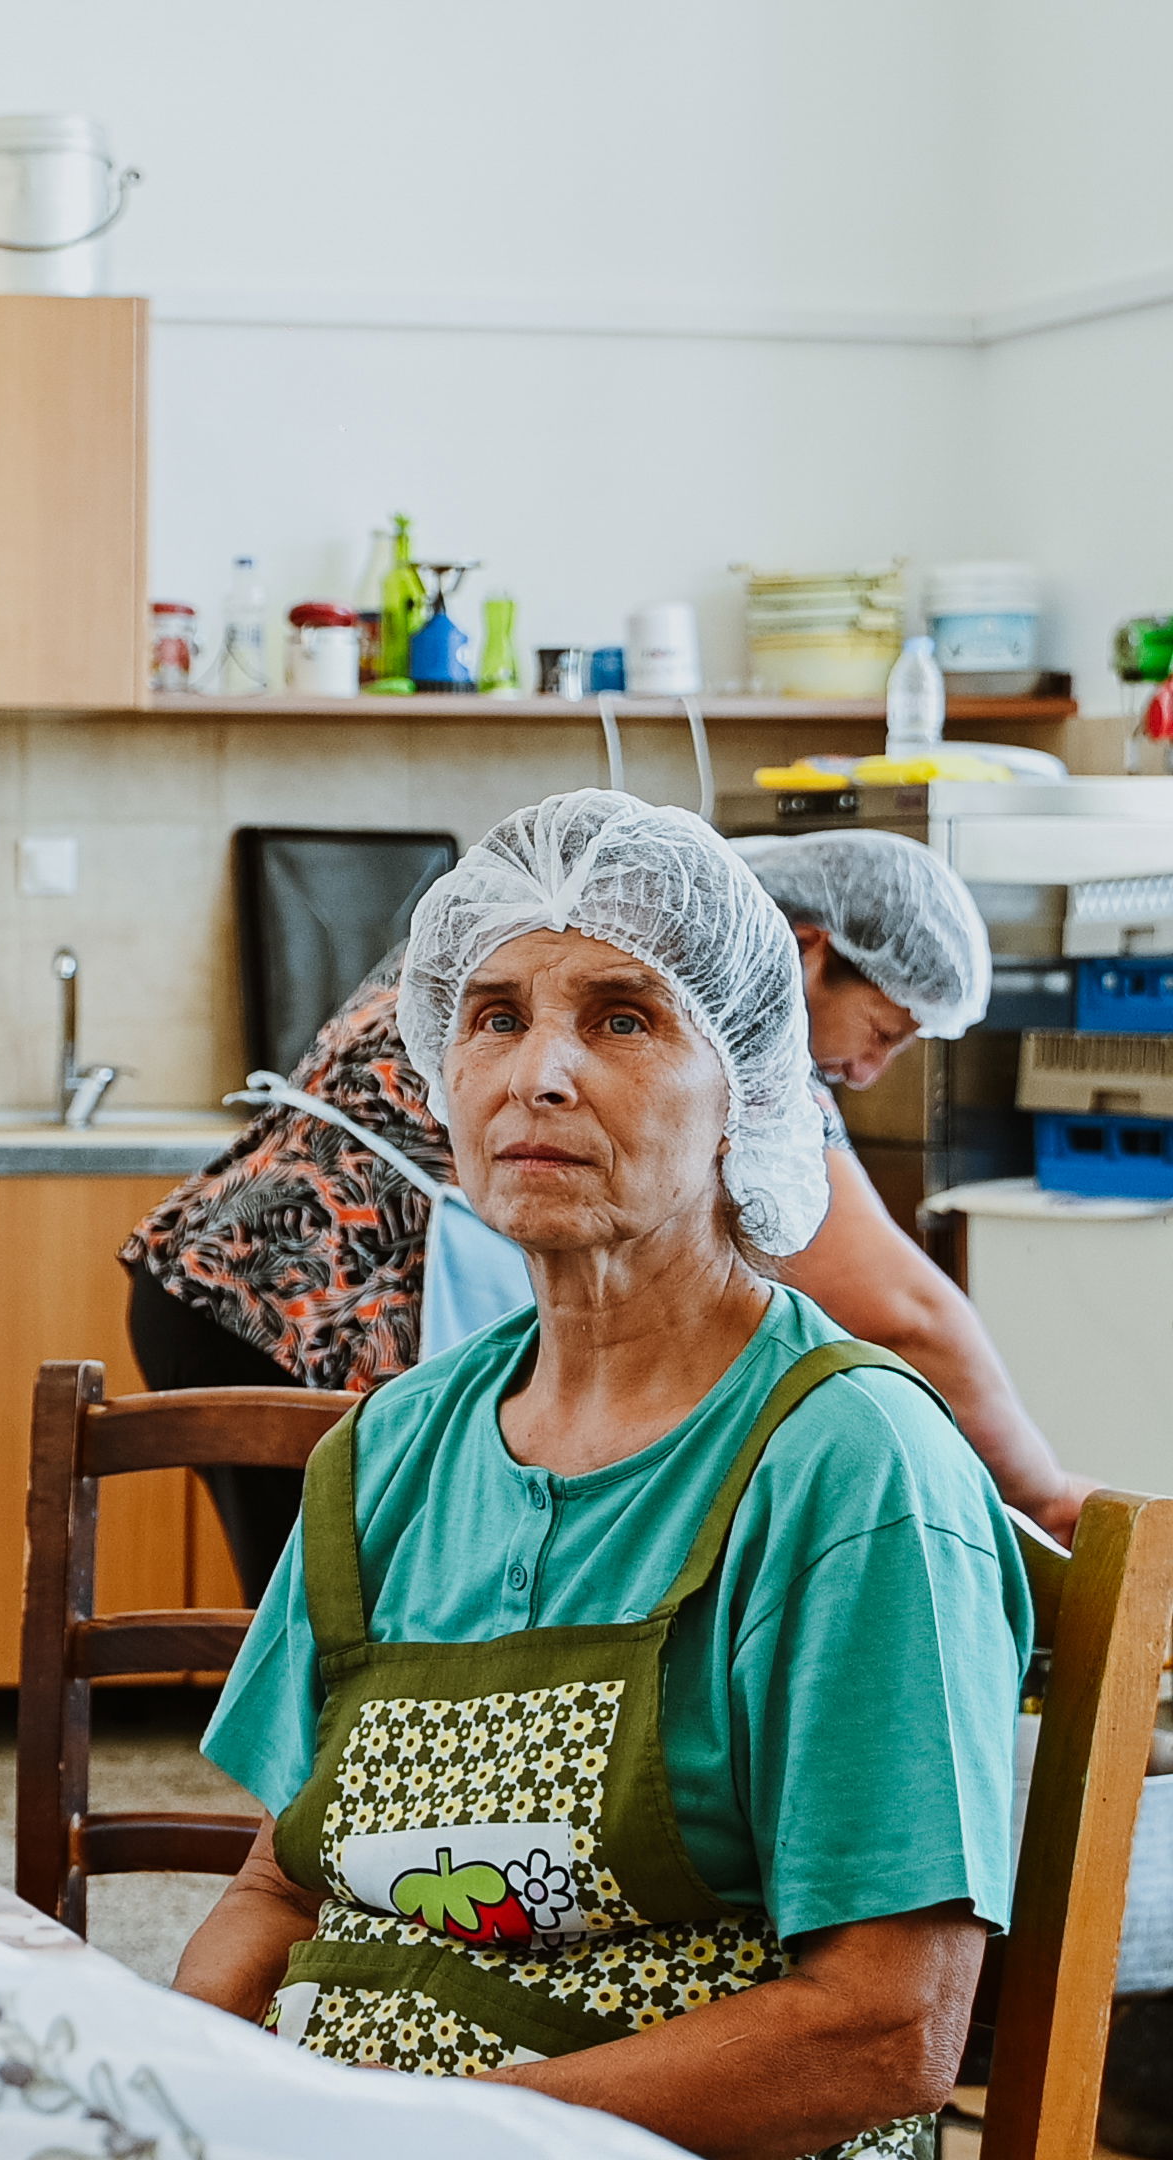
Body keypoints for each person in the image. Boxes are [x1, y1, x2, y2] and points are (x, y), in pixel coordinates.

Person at [175, 791, 1029, 2158]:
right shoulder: (390, 1450)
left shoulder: (847, 1466)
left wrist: (436, 2132)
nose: (540, 1075)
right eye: (495, 1017)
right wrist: (169, 2097)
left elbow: (886, 2028)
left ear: (750, 1093)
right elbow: (281, 1888)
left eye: (624, 1019)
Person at [126, 827, 1089, 1596]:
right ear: (808, 954)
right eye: (881, 1031)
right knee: (349, 1641)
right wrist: (1044, 1497)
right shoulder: (701, 1004)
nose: (870, 1070)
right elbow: (900, 1310)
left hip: (206, 1278)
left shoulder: (559, 917)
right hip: (288, 1312)